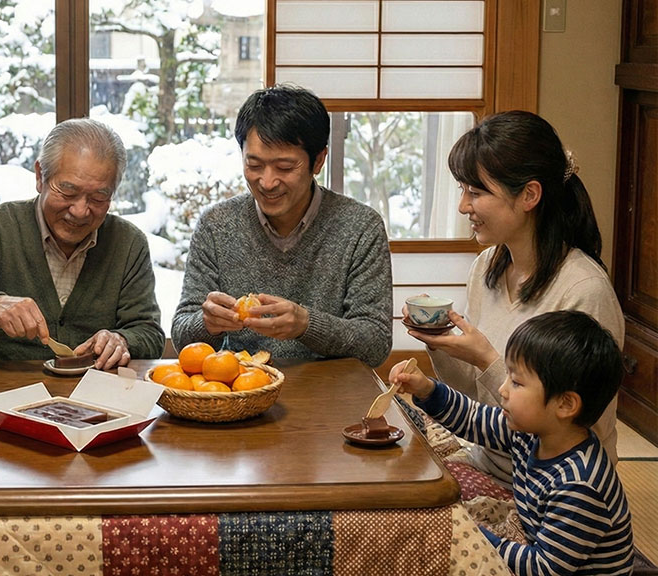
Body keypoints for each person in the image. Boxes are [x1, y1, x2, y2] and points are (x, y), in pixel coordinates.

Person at [407, 110, 625, 484]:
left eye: (476, 192)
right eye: (462, 190)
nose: (463, 206)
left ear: (529, 195)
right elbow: (476, 400)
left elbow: (574, 429)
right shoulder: (486, 267)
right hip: (487, 459)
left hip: (550, 487)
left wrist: (487, 358)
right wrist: (440, 344)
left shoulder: (583, 291)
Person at [390, 310, 633, 575]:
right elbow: (472, 418)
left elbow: (544, 568)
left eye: (516, 382)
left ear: (565, 404)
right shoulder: (533, 433)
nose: (502, 389)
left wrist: (475, 536)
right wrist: (427, 389)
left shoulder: (579, 485)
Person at [171, 85, 392, 366]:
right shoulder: (216, 225)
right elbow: (182, 337)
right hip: (241, 384)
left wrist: (307, 325)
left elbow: (376, 343)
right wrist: (207, 323)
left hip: (332, 386)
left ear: (319, 160)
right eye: (254, 165)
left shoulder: (360, 227)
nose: (267, 182)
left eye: (285, 167)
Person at [0, 118, 165, 368]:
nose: (80, 211)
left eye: (99, 198)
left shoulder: (128, 243)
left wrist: (122, 340)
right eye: (68, 192)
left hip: (96, 388)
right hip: (4, 387)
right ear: (40, 176)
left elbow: (149, 333)